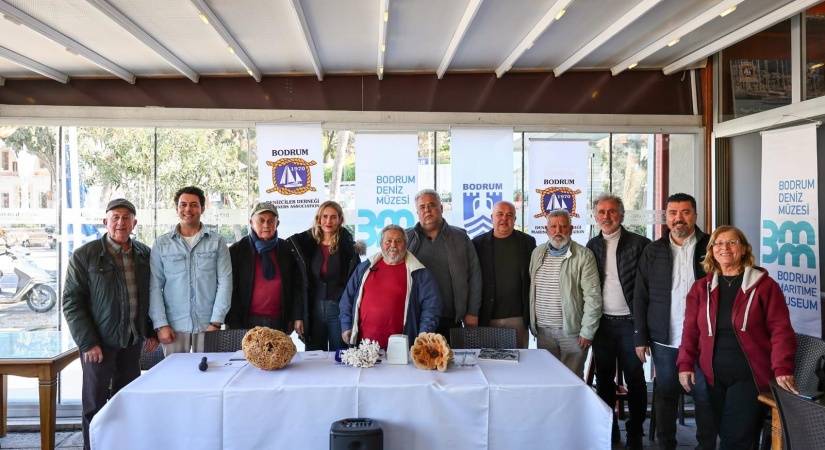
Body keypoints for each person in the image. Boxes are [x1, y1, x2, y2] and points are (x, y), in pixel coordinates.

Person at [677, 226, 798, 449]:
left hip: (749, 376)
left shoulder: (765, 287)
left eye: (732, 242)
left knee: (735, 440)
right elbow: (690, 331)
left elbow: (781, 330)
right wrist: (685, 364)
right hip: (712, 376)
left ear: (743, 249)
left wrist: (782, 368)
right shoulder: (700, 289)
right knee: (727, 433)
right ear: (712, 251)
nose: (725, 247)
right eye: (718, 243)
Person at [62, 198, 158, 450]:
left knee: (125, 401)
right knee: (94, 405)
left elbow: (152, 295)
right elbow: (72, 302)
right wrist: (88, 342)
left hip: (132, 341)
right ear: (105, 221)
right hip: (99, 345)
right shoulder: (86, 256)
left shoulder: (144, 254)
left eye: (126, 218)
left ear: (134, 223)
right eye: (115, 217)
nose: (120, 222)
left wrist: (150, 330)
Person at [634, 193, 716, 450]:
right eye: (673, 213)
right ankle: (666, 444)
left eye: (685, 212)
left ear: (695, 216)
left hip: (705, 339)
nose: (678, 218)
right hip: (665, 338)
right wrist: (640, 337)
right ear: (666, 217)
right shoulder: (653, 251)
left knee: (704, 396)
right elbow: (640, 296)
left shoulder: (712, 247)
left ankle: (705, 446)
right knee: (665, 394)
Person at [585, 193, 650, 449]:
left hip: (631, 324)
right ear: (595, 216)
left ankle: (635, 431)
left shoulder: (639, 243)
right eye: (601, 212)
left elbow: (647, 288)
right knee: (604, 379)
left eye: (611, 211)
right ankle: (608, 429)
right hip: (602, 324)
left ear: (621, 215)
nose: (606, 216)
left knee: (635, 378)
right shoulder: (592, 245)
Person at [149, 186, 232, 355]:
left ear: (202, 208)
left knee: (209, 376)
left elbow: (225, 283)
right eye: (183, 205)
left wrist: (216, 322)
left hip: (208, 325)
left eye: (194, 205)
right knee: (176, 378)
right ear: (177, 209)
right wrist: (161, 324)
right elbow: (154, 287)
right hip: (173, 326)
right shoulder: (161, 244)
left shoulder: (217, 242)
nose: (188, 209)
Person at [340, 224, 441, 348]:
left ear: (406, 244)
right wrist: (346, 326)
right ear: (381, 244)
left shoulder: (419, 272)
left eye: (398, 241)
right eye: (388, 241)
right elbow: (347, 299)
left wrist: (423, 336)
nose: (393, 245)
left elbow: (431, 308)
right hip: (364, 347)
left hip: (402, 348)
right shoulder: (365, 268)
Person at [528, 208, 602, 378]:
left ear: (571, 229)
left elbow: (593, 298)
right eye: (553, 226)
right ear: (546, 230)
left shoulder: (584, 256)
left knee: (572, 380)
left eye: (563, 226)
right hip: (543, 331)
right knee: (548, 380)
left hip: (573, 334)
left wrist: (587, 331)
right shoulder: (537, 253)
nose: (558, 231)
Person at [405, 189, 482, 341]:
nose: (427, 210)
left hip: (451, 318)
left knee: (451, 362)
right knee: (417, 363)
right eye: (422, 207)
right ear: (417, 212)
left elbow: (475, 275)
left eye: (432, 205)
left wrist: (472, 312)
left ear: (441, 208)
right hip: (416, 318)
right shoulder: (405, 238)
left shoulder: (461, 237)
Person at [289, 200, 362, 351]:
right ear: (318, 219)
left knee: (340, 359)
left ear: (340, 220)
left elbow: (355, 287)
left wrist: (350, 320)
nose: (329, 221)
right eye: (325, 216)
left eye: (333, 217)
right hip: (312, 311)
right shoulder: (306, 247)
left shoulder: (349, 250)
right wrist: (298, 316)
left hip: (339, 312)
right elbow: (298, 285)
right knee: (313, 361)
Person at [226, 201, 302, 332]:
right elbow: (229, 289)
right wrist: (233, 322)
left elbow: (296, 286)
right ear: (251, 222)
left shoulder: (287, 250)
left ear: (277, 224)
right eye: (261, 220)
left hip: (279, 321)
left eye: (270, 221)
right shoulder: (237, 251)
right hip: (245, 321)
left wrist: (294, 317)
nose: (266, 225)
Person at [472, 201, 536, 348]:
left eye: (509, 215)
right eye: (499, 214)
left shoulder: (528, 242)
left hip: (518, 317)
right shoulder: (477, 244)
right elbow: (472, 280)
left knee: (518, 363)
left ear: (515, 219)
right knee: (490, 364)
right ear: (491, 217)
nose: (504, 219)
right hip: (488, 316)